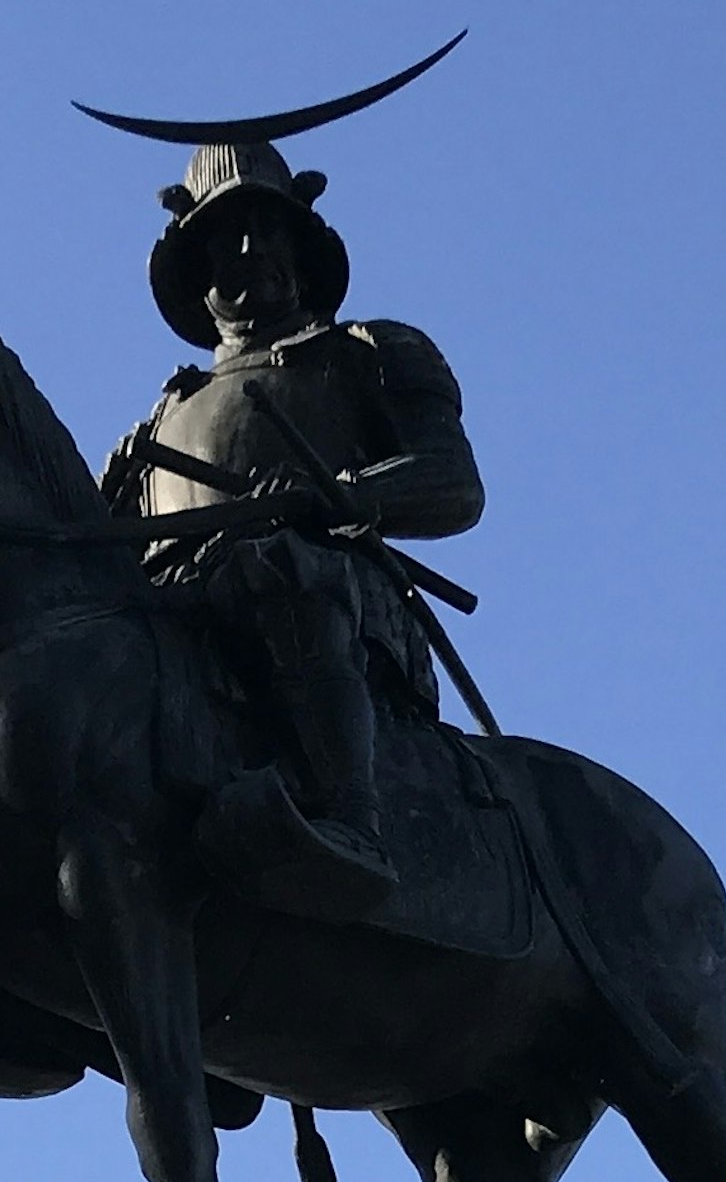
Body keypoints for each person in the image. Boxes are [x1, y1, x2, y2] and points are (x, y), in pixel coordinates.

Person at [102, 133, 485, 917]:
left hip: (334, 607)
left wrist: (341, 495)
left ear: (301, 246)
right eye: (221, 239)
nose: (246, 250)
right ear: (195, 271)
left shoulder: (368, 353)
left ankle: (351, 817)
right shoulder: (162, 417)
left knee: (278, 566)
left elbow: (455, 484)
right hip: (184, 618)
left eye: (265, 229)